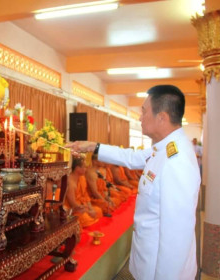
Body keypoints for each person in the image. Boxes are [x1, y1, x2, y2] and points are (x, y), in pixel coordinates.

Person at [66, 85, 201, 280]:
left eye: (144, 111)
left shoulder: (176, 161)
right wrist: (93, 146)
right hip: (148, 260)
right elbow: (131, 157)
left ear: (162, 117)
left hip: (161, 271)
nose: (140, 117)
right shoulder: (163, 149)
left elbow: (176, 239)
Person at [64, 157, 102, 228]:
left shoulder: (82, 178)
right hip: (73, 209)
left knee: (98, 211)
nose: (86, 169)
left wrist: (91, 209)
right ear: (77, 168)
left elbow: (85, 195)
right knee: (86, 219)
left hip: (83, 206)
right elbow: (72, 203)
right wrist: (87, 211)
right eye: (84, 167)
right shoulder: (70, 183)